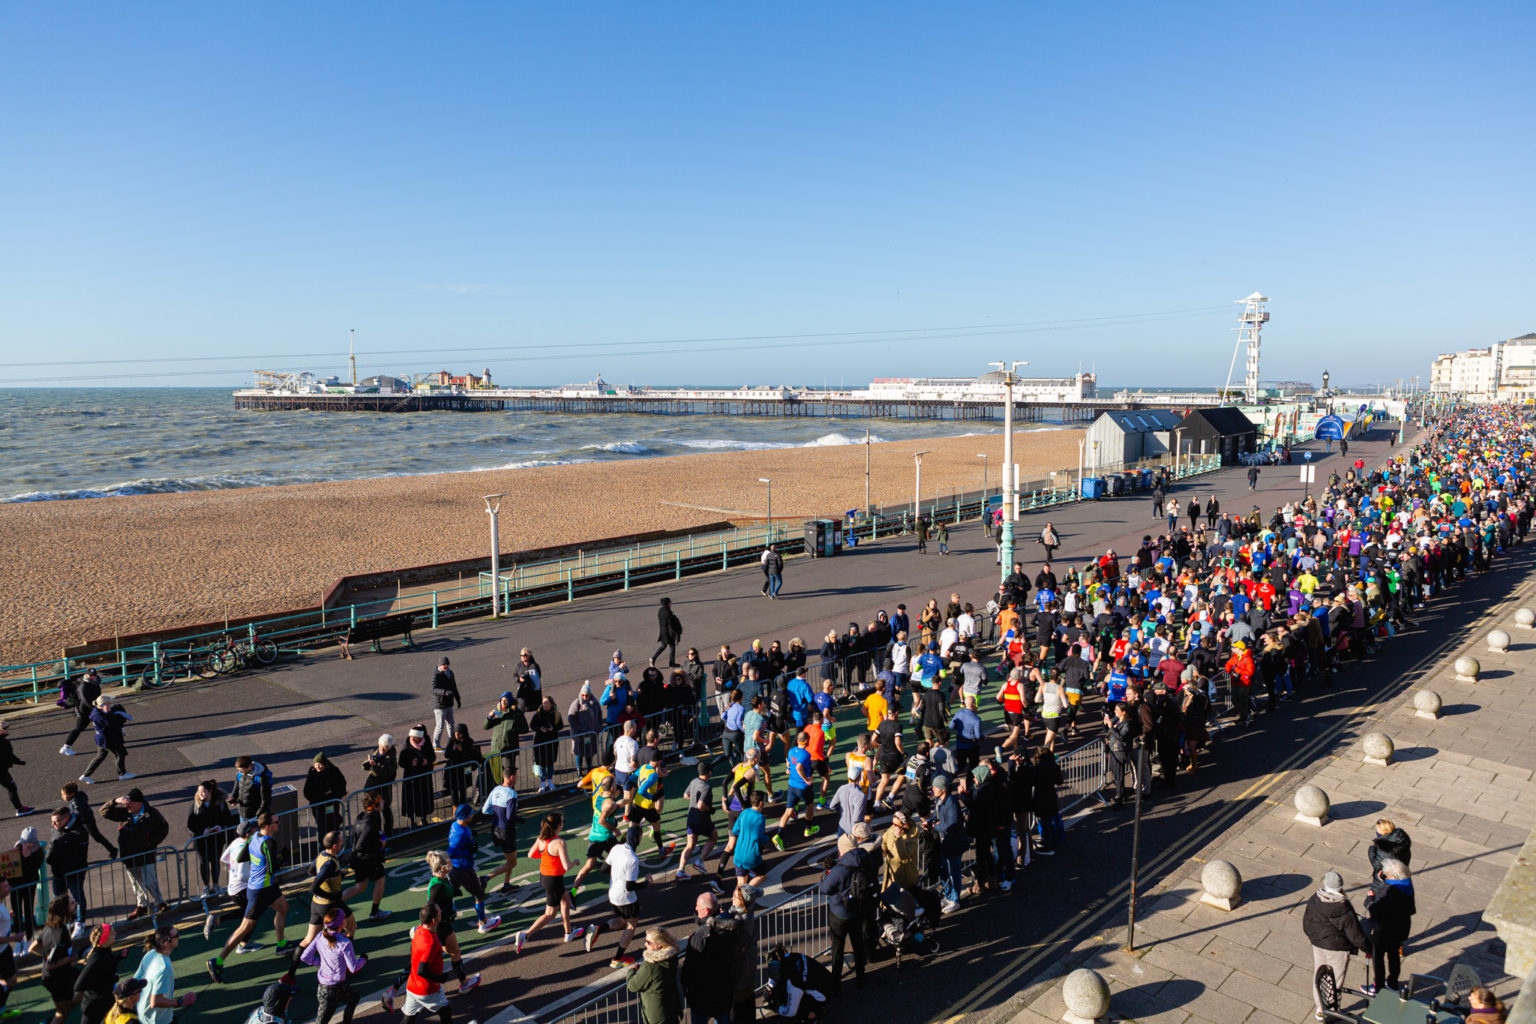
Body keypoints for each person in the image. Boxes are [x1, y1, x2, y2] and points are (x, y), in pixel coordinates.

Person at [207, 812, 289, 982]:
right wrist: (282, 857)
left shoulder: (254, 837)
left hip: (267, 886)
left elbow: (241, 856)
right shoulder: (269, 842)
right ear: (267, 826)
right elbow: (273, 869)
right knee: (245, 928)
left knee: (283, 907)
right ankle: (218, 961)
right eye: (276, 822)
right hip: (260, 889)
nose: (278, 823)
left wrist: (257, 859)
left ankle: (281, 944)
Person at [1302, 870, 1370, 1019]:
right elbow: (1355, 934)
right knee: (1335, 979)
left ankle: (1320, 1008)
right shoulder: (1342, 906)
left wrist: (1313, 937)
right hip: (1337, 948)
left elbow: (1307, 922)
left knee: (1320, 974)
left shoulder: (1315, 899)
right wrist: (1367, 948)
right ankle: (1332, 1011)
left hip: (1318, 943)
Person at [514, 812, 584, 954]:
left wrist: (546, 854)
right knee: (550, 914)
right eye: (563, 821)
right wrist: (575, 862)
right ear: (559, 825)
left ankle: (568, 931)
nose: (563, 823)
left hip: (544, 877)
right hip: (554, 881)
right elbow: (566, 866)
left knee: (565, 899)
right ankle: (525, 935)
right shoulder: (559, 842)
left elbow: (531, 854)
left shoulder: (542, 839)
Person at [585, 826, 651, 967]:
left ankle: (598, 929)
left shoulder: (616, 849)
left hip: (613, 894)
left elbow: (603, 869)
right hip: (626, 898)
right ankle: (618, 958)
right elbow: (630, 886)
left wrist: (617, 872)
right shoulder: (633, 859)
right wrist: (646, 883)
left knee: (622, 920)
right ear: (637, 839)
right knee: (631, 926)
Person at [381, 904, 457, 1023]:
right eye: (439, 912)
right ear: (434, 920)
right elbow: (422, 970)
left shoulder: (419, 931)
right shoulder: (431, 943)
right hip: (428, 990)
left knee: (408, 1020)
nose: (441, 911)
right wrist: (440, 978)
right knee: (445, 1013)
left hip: (412, 987)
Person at [101, 788, 169, 919]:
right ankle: (142, 905)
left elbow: (163, 828)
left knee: (150, 880)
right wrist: (115, 801)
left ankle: (160, 902)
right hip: (129, 855)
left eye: (129, 803)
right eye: (125, 803)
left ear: (139, 803)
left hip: (146, 854)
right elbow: (104, 812)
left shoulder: (152, 814)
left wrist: (151, 843)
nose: (127, 805)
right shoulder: (125, 813)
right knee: (136, 882)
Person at [819, 833, 873, 991]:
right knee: (858, 943)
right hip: (859, 909)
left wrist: (825, 874)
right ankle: (861, 976)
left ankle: (836, 984)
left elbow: (824, 889)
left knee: (838, 947)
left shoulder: (840, 869)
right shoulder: (865, 859)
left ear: (842, 849)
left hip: (840, 913)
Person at [298, 908, 365, 1024]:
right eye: (344, 918)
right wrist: (363, 959)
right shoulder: (345, 943)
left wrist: (319, 962)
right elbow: (353, 967)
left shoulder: (320, 936)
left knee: (354, 998)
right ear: (342, 923)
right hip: (333, 990)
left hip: (326, 987)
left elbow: (305, 956)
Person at [681, 893, 740, 1024]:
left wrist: (688, 990)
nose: (696, 909)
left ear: (706, 911)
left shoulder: (700, 936)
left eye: (698, 907)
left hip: (702, 997)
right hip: (724, 992)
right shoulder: (730, 928)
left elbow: (689, 969)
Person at [1363, 858, 1415, 996]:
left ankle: (1378, 986)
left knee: (1378, 956)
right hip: (1401, 927)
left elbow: (1376, 910)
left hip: (1384, 929)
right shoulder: (1407, 883)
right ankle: (1392, 983)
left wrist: (1370, 900)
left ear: (1391, 876)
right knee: (1393, 954)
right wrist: (1384, 881)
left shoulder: (1390, 891)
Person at [447, 804, 500, 934]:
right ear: (465, 816)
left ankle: (448, 912)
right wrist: (468, 851)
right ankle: (483, 923)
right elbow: (451, 853)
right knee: (479, 895)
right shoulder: (461, 834)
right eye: (471, 814)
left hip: (454, 869)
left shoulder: (456, 825)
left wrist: (471, 837)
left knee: (448, 893)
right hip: (464, 869)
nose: (473, 815)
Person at [298, 831, 354, 951]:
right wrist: (331, 896)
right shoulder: (330, 863)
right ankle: (348, 961)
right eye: (341, 841)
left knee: (308, 939)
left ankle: (292, 969)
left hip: (316, 904)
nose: (342, 843)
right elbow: (313, 888)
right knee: (351, 927)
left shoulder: (322, 855)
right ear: (335, 846)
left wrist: (336, 876)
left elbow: (311, 871)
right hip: (330, 905)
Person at [31, 893, 82, 1024]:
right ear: (64, 910)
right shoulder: (60, 933)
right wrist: (72, 958)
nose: (75, 904)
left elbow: (32, 948)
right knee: (62, 1014)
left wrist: (47, 954)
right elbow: (51, 965)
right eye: (72, 903)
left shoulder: (49, 927)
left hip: (64, 974)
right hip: (56, 979)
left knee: (86, 982)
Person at [341, 792, 388, 920]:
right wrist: (380, 845)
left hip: (361, 860)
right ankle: (374, 912)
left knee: (360, 887)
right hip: (368, 860)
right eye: (381, 801)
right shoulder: (368, 823)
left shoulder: (366, 816)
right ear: (376, 805)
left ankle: (334, 903)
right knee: (380, 881)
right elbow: (360, 845)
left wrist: (381, 837)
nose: (383, 801)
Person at [187, 779, 236, 898]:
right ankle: (206, 887)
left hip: (216, 839)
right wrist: (202, 831)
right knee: (204, 863)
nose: (200, 795)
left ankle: (216, 884)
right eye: (199, 792)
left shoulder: (220, 804)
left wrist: (220, 826)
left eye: (203, 792)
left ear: (210, 792)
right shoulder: (195, 806)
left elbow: (227, 819)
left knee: (215, 862)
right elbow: (190, 824)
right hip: (201, 840)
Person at [135, 926, 195, 1023]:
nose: (178, 937)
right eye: (176, 935)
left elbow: (136, 980)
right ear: (166, 943)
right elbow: (155, 1002)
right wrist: (181, 1002)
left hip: (145, 1016)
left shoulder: (150, 954)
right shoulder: (164, 968)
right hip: (158, 1020)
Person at [624, 926, 682, 1024]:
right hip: (671, 1009)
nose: (645, 944)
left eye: (649, 942)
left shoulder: (650, 966)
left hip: (656, 1016)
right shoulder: (672, 956)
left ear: (659, 945)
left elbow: (632, 986)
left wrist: (631, 971)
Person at [762, 944, 832, 1021]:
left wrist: (776, 1008)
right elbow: (777, 972)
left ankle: (816, 1015)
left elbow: (790, 1012)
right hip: (827, 979)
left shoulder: (793, 983)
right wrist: (770, 987)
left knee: (797, 1010)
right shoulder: (789, 956)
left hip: (824, 996)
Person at [74, 923, 127, 1024]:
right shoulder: (96, 958)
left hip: (105, 1003)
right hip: (94, 1008)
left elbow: (105, 968)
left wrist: (119, 958)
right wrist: (110, 979)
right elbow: (78, 985)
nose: (115, 933)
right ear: (104, 940)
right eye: (112, 933)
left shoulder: (106, 950)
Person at [676, 761, 719, 883]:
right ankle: (699, 861)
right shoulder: (706, 787)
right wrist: (710, 809)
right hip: (702, 818)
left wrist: (694, 800)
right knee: (713, 837)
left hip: (691, 817)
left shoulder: (694, 781)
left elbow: (685, 795)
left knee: (690, 845)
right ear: (709, 772)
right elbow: (701, 805)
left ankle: (680, 870)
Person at [481, 765, 521, 896]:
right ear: (511, 777)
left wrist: (498, 814)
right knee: (513, 862)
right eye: (516, 776)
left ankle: (507, 884)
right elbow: (510, 816)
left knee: (510, 860)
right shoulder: (511, 794)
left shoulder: (496, 789)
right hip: (507, 832)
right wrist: (519, 819)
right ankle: (486, 878)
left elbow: (485, 810)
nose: (517, 779)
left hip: (495, 829)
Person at [80, 696, 134, 785]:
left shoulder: (96, 712)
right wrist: (115, 714)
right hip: (109, 739)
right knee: (120, 754)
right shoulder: (99, 716)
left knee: (100, 756)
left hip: (102, 740)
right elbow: (110, 724)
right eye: (108, 704)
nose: (110, 706)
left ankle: (86, 775)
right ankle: (122, 773)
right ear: (103, 705)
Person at [724, 790, 769, 890]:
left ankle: (736, 903)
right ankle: (747, 891)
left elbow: (735, 830)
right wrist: (767, 839)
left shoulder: (744, 812)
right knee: (762, 875)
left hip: (738, 855)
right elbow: (758, 837)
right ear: (761, 803)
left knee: (740, 883)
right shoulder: (760, 818)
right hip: (752, 857)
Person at [398, 726, 437, 831]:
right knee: (411, 800)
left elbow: (433, 756)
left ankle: (424, 819)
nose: (414, 739)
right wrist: (411, 763)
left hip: (424, 777)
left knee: (424, 797)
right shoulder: (406, 747)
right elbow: (401, 762)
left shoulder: (426, 744)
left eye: (416, 738)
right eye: (413, 737)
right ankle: (412, 821)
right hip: (411, 779)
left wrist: (427, 761)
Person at [59, 667, 103, 758]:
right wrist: (96, 708)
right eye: (90, 675)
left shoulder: (96, 682)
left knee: (101, 724)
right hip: (84, 710)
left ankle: (106, 741)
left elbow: (97, 696)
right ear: (86, 675)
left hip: (92, 708)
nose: (92, 677)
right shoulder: (83, 685)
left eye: (94, 675)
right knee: (78, 728)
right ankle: (66, 747)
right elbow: (85, 700)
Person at [303, 752, 347, 839]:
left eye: (320, 764)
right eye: (316, 764)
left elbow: (341, 785)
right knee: (322, 829)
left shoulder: (334, 771)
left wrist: (332, 792)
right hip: (319, 807)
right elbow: (307, 792)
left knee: (333, 827)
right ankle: (324, 847)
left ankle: (335, 845)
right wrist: (320, 795)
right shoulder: (312, 774)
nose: (318, 767)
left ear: (325, 764)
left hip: (332, 804)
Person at [361, 733, 398, 836]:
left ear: (389, 748)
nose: (382, 748)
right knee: (373, 811)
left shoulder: (391, 759)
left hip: (384, 788)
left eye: (385, 747)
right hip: (372, 787)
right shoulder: (376, 752)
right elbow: (365, 766)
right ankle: (375, 833)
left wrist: (374, 766)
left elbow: (386, 775)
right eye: (381, 745)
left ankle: (388, 833)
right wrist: (368, 763)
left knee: (385, 809)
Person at [229, 754, 273, 828]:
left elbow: (266, 798)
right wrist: (233, 798)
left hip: (255, 815)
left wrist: (258, 813)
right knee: (245, 836)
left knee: (254, 837)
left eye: (242, 770)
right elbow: (236, 787)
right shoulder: (239, 774)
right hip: (243, 812)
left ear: (250, 767)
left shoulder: (260, 778)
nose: (240, 772)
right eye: (239, 770)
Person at [0, 722, 32, 818]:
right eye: (5, 727)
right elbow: (9, 756)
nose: (7, 728)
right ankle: (20, 809)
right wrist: (19, 762)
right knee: (12, 788)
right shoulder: (3, 742)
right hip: (1, 771)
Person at [430, 657, 462, 751]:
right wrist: (445, 692)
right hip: (439, 705)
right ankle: (436, 745)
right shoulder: (436, 675)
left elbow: (454, 687)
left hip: (449, 703)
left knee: (451, 723)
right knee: (440, 726)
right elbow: (434, 690)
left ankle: (452, 741)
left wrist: (458, 699)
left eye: (447, 664)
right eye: (444, 665)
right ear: (440, 665)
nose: (446, 666)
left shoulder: (450, 673)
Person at [653, 597, 683, 667]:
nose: (671, 603)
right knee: (672, 647)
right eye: (670, 602)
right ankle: (672, 663)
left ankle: (653, 658)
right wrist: (676, 634)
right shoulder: (668, 612)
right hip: (668, 633)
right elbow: (671, 625)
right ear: (668, 603)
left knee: (663, 646)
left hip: (662, 632)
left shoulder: (660, 610)